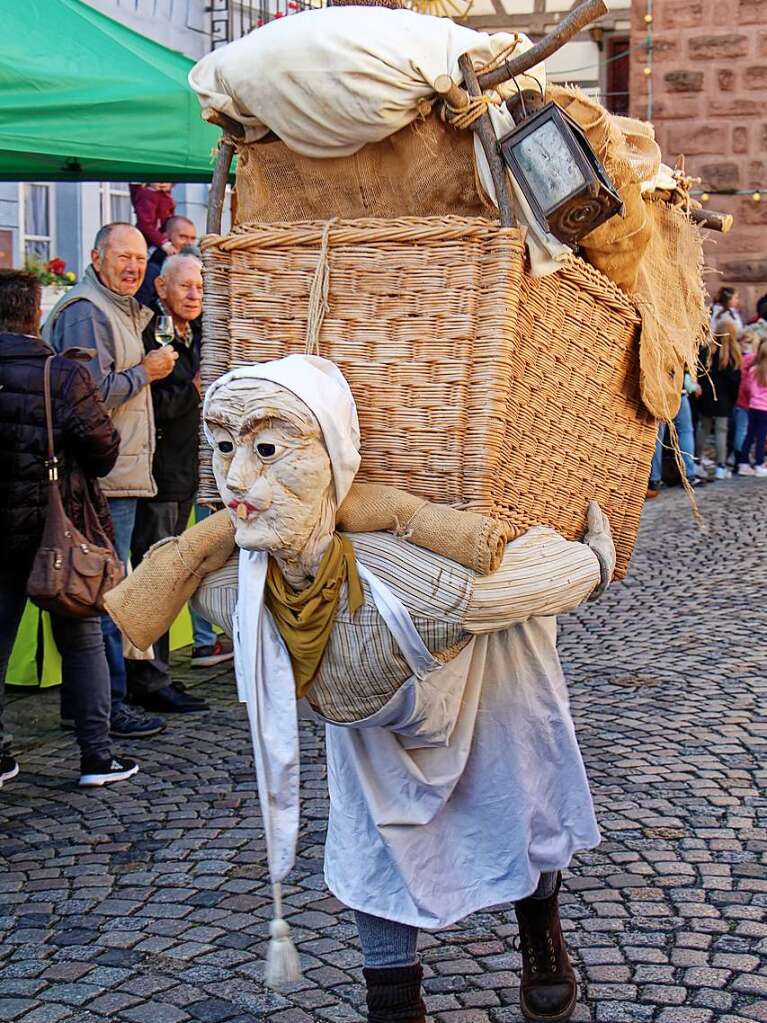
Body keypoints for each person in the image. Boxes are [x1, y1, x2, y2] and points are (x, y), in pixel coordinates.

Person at [0, 271, 139, 787]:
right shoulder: (61, 374)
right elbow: (104, 451)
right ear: (36, 313)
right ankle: (96, 757)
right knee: (81, 637)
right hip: (55, 527)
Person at [43, 222, 176, 739]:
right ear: (96, 257)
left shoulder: (117, 309)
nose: (133, 267)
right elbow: (89, 394)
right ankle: (105, 707)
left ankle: (91, 704)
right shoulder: (86, 312)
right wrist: (146, 371)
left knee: (102, 592)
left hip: (116, 473)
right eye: (123, 257)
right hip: (99, 477)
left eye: (141, 260)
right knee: (102, 594)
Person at [126, 254, 218, 712]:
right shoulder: (151, 334)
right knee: (154, 577)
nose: (194, 294)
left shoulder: (201, 334)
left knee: (171, 575)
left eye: (200, 287)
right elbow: (153, 406)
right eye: (185, 286)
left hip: (186, 473)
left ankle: (157, 675)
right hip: (156, 474)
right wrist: (196, 390)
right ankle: (147, 680)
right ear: (161, 287)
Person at [695, 328, 741, 480]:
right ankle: (721, 466)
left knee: (704, 428)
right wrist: (733, 399)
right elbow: (735, 381)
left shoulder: (707, 351)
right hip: (725, 399)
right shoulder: (732, 356)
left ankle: (697, 461)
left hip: (707, 395)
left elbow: (699, 372)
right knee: (722, 431)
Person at [648, 372, 702, 494]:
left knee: (658, 436)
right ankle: (689, 475)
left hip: (660, 392)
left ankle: (655, 479)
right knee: (686, 432)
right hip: (679, 391)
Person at [135, 215, 198, 308]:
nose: (188, 243)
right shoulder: (152, 270)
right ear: (166, 237)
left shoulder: (197, 268)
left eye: (192, 238)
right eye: (183, 237)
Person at [736, 336, 767, 477]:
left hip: (753, 406)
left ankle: (743, 462)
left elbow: (751, 389)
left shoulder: (754, 369)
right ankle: (759, 464)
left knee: (750, 434)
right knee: (761, 437)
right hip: (764, 409)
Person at [130, 182, 177, 252]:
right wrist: (164, 242)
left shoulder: (166, 196)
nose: (162, 182)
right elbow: (145, 225)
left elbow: (170, 219)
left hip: (160, 238)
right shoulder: (147, 195)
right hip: (149, 241)